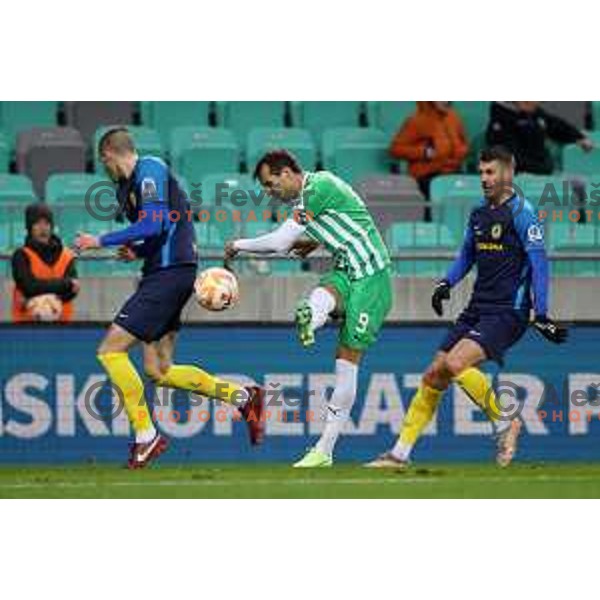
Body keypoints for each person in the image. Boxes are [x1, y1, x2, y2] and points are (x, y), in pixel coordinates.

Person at [367, 146, 568, 470]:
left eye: (491, 172)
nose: (485, 179)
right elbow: (466, 256)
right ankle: (399, 454)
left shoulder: (522, 213)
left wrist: (541, 314)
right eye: (482, 173)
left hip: (508, 311)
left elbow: (540, 264)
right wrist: (446, 283)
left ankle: (507, 421)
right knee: (435, 374)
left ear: (508, 173)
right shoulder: (478, 214)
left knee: (456, 362)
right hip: (477, 308)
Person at [75, 127, 264, 469]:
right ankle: (243, 397)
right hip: (168, 271)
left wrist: (101, 241)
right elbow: (158, 231)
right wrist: (137, 252)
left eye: (105, 163)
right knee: (158, 369)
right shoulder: (131, 185)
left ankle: (146, 437)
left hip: (168, 274)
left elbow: (153, 223)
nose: (106, 170)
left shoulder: (149, 170)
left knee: (110, 350)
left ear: (109, 155)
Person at [225, 149, 393, 468]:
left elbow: (278, 242)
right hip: (347, 268)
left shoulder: (315, 190)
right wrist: (314, 242)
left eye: (270, 184)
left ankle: (324, 451)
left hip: (372, 279)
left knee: (346, 363)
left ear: (287, 173)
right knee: (324, 289)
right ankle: (311, 321)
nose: (269, 193)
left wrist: (237, 245)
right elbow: (347, 217)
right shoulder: (320, 188)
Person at [389, 101, 469, 206]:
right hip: (427, 175)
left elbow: (464, 143)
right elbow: (395, 149)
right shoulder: (416, 121)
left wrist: (460, 152)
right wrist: (425, 152)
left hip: (453, 172)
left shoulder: (454, 118)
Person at [12, 203, 79, 322]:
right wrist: (65, 284)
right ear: (29, 227)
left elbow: (72, 291)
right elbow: (29, 287)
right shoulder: (21, 255)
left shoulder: (67, 255)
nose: (43, 228)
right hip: (25, 326)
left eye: (47, 223)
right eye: (37, 223)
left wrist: (43, 295)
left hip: (62, 326)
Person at [486, 101, 593, 174]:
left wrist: (578, 137)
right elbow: (510, 158)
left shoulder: (534, 114)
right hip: (520, 179)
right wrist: (541, 168)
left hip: (543, 173)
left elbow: (554, 125)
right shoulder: (499, 123)